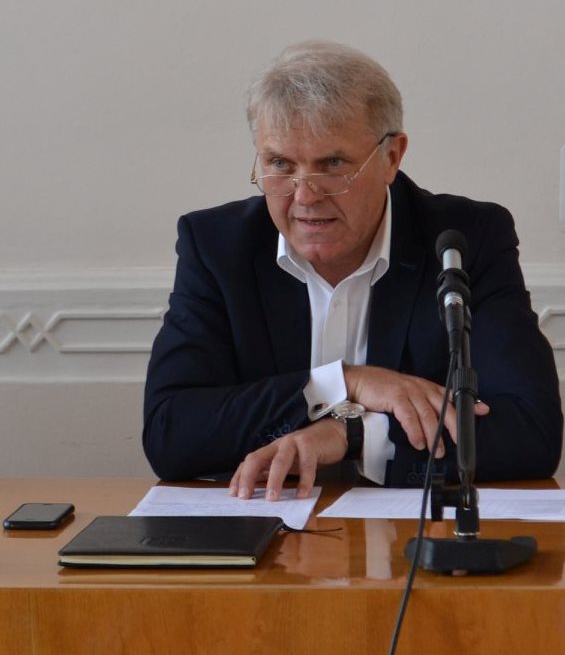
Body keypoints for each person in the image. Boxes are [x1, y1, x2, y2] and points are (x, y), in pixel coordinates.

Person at [143, 40, 562, 500]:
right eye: (280, 163)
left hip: (412, 535)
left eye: (333, 164)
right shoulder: (217, 247)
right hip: (268, 526)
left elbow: (530, 431)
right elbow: (170, 432)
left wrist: (353, 434)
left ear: (391, 157)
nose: (305, 195)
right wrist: (345, 382)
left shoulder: (464, 240)